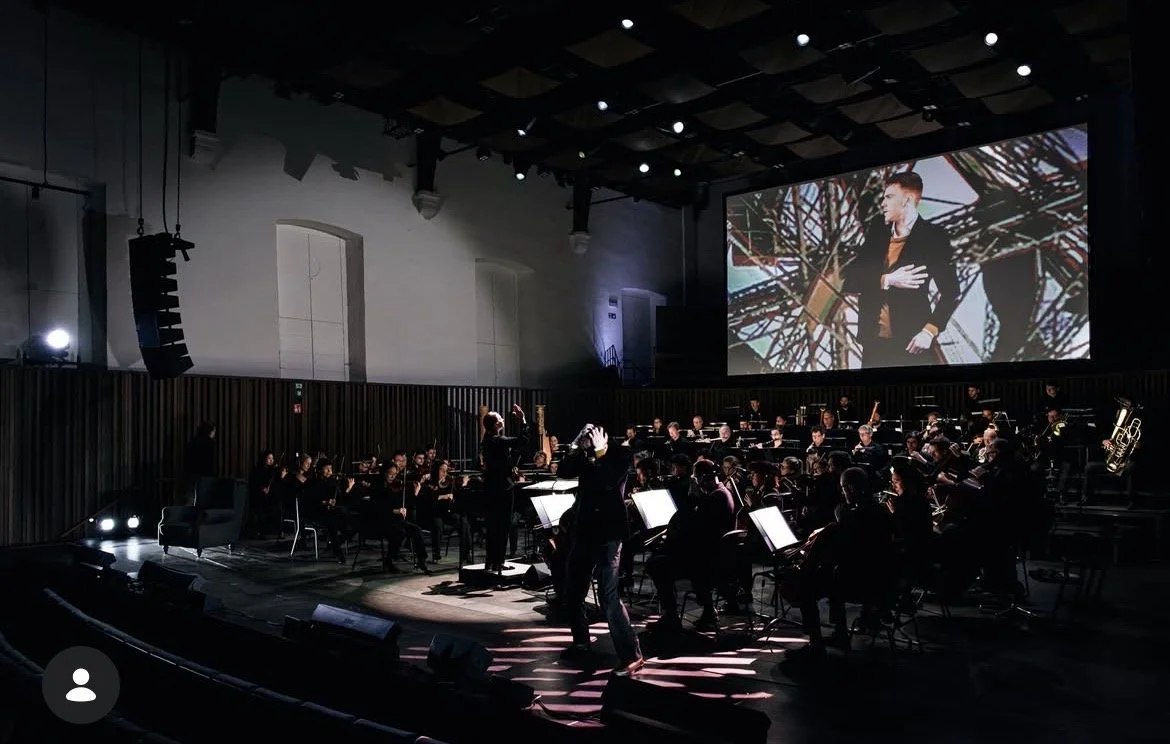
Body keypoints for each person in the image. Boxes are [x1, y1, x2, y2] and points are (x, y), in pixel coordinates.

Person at [842, 171, 961, 369]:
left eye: (889, 197)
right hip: (873, 344)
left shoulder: (934, 237)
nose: (883, 204)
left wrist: (929, 331)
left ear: (907, 200)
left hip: (913, 344)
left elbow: (952, 292)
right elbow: (851, 281)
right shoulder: (877, 231)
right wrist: (887, 280)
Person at [558, 424, 644, 676]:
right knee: (573, 591)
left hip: (608, 535)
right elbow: (563, 471)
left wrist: (600, 452)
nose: (586, 440)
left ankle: (632, 655)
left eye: (590, 436)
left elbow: (608, 481)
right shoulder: (584, 455)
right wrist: (575, 445)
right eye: (584, 436)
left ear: (602, 436)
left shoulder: (620, 454)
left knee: (609, 597)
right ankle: (581, 642)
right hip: (584, 532)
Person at [481, 404, 528, 572]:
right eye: (500, 418)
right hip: (502, 488)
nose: (503, 419)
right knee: (503, 526)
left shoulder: (487, 439)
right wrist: (522, 420)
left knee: (493, 526)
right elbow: (522, 440)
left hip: (491, 487)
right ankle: (498, 561)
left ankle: (491, 561)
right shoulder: (497, 440)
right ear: (496, 424)